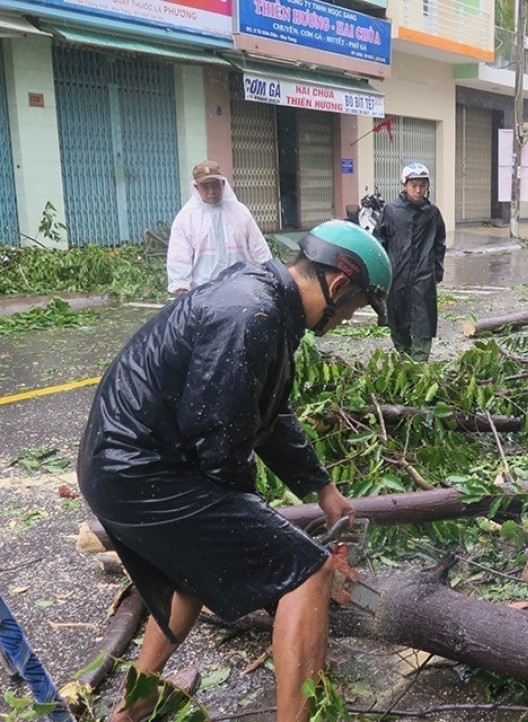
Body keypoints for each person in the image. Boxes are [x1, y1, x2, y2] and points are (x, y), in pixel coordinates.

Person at [78, 220, 392, 722]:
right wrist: (270, 551)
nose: (348, 319)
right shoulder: (253, 313)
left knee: (196, 572)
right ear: (338, 287)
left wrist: (323, 489)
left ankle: (132, 707)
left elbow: (272, 412)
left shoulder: (267, 300)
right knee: (307, 572)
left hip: (120, 469)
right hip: (142, 473)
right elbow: (221, 444)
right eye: (355, 307)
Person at [373, 162, 447, 362]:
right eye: (413, 185)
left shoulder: (432, 213)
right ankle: (404, 356)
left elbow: (439, 244)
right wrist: (381, 272)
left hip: (423, 276)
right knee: (397, 318)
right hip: (397, 274)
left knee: (423, 320)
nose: (418, 190)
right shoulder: (391, 210)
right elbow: (379, 241)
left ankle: (420, 361)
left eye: (422, 185)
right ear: (404, 185)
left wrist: (436, 271)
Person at [166, 160, 272, 296]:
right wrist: (182, 290)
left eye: (215, 185)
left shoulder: (239, 212)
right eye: (205, 186)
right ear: (197, 188)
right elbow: (179, 256)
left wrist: (269, 275)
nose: (212, 191)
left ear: (223, 184)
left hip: (242, 289)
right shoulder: (186, 218)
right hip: (204, 293)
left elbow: (258, 248)